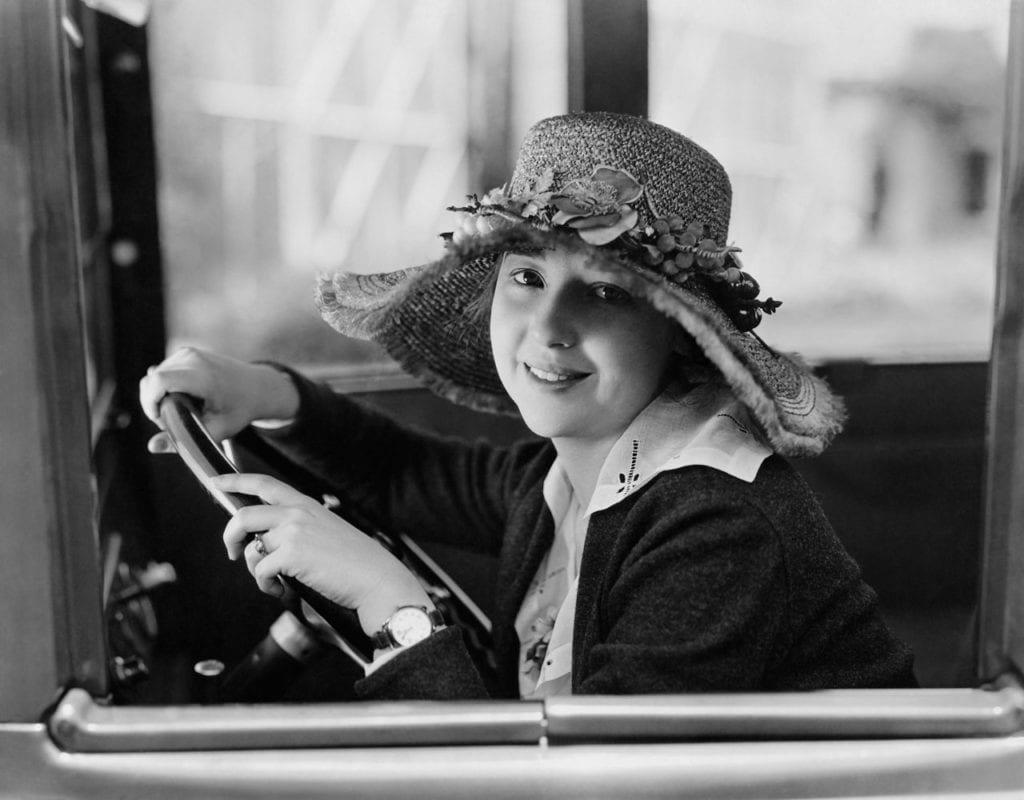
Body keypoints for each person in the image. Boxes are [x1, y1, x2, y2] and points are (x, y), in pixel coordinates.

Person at [140, 112, 917, 700]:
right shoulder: (571, 471)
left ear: (680, 337)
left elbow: (582, 788)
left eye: (607, 292)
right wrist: (264, 394)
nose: (548, 329)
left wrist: (396, 608)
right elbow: (405, 473)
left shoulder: (715, 524)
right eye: (527, 279)